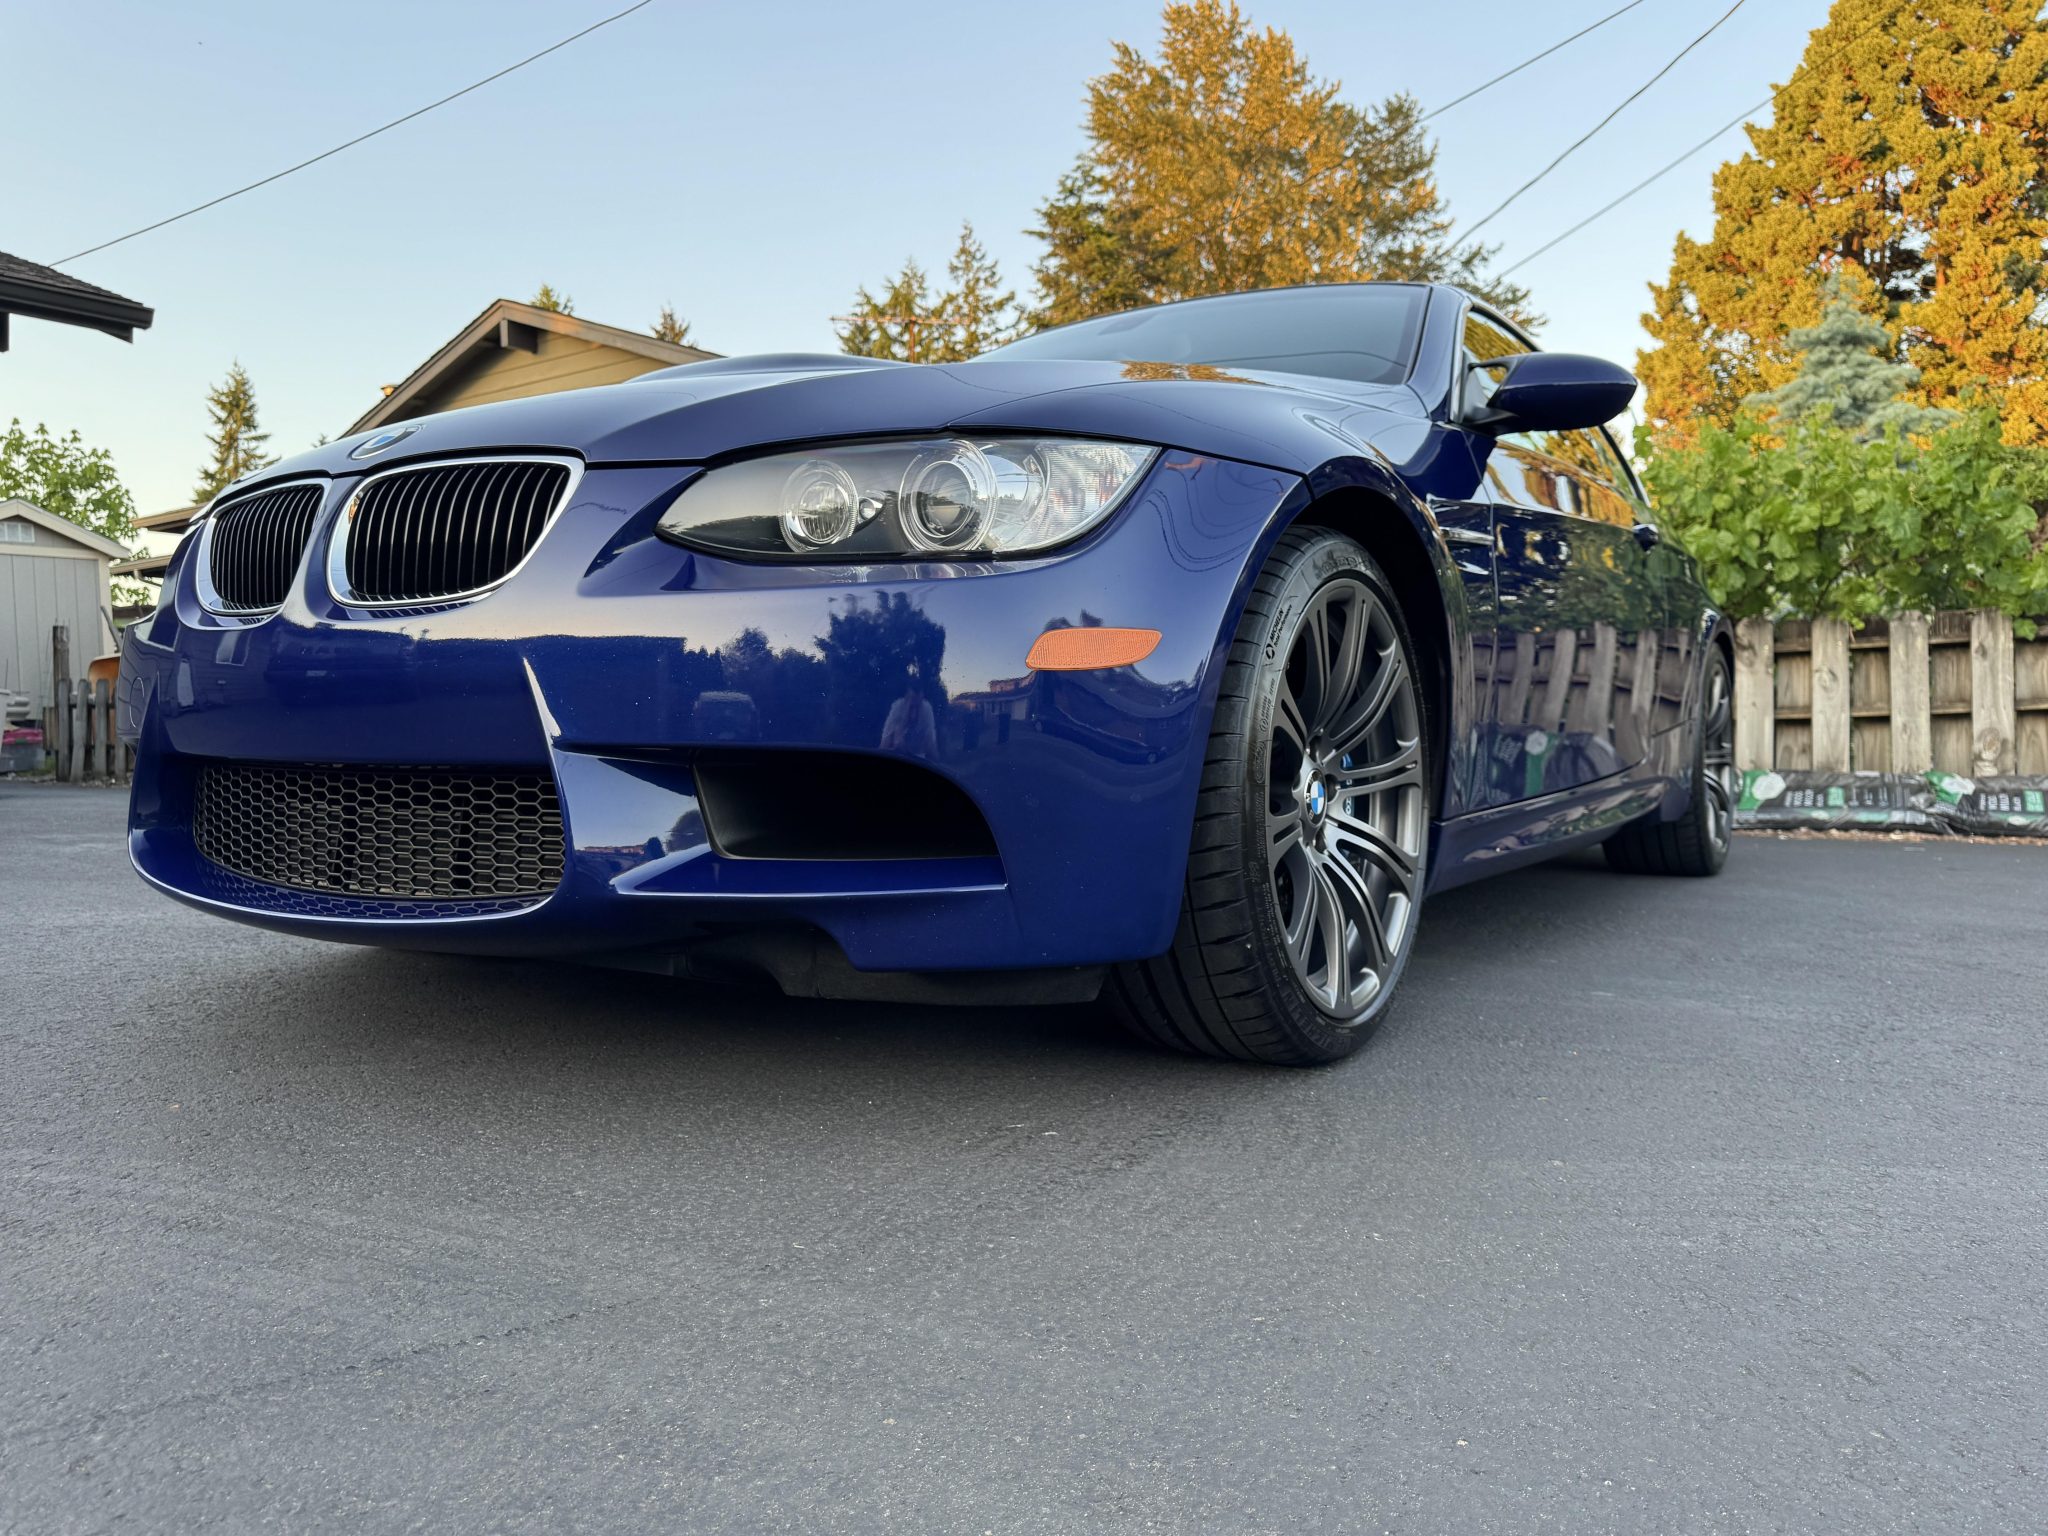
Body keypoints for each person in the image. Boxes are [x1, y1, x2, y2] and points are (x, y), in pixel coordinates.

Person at [879, 676, 938, 759]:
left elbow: (932, 749)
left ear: (922, 699)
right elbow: (883, 746)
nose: (914, 714)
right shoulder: (897, 707)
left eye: (918, 707)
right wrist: (901, 724)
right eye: (911, 707)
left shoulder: (927, 709)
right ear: (905, 699)